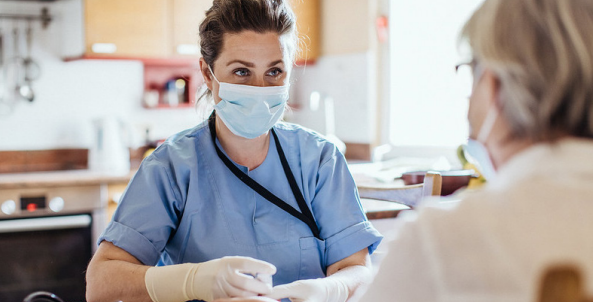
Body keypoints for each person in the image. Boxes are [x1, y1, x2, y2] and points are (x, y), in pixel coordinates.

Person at [208, 0, 593, 301]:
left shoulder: (446, 238)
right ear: (209, 74)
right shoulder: (176, 164)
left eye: (469, 71)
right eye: (242, 72)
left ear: (492, 86)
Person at [84, 1, 383, 302]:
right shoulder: (171, 168)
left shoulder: (319, 161)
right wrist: (191, 281)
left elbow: (355, 268)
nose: (259, 88)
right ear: (207, 73)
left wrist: (330, 289)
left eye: (274, 71)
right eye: (241, 71)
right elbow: (102, 282)